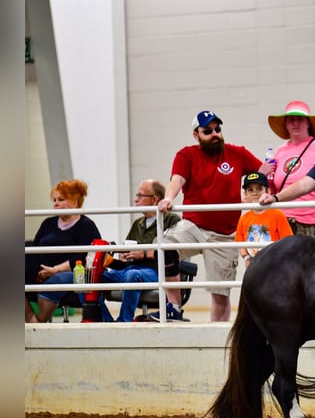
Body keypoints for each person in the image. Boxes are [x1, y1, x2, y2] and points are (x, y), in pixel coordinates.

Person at [156, 110, 272, 322]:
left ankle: (217, 338)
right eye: (207, 131)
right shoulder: (186, 155)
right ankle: (174, 306)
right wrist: (168, 199)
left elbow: (263, 175)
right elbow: (177, 180)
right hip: (193, 226)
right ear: (196, 135)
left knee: (221, 295)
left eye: (217, 129)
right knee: (164, 248)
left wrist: (269, 180)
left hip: (225, 235)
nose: (214, 134)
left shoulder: (237, 153)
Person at [98, 180, 182, 322]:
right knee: (89, 277)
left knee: (131, 275)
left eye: (140, 195)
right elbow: (127, 247)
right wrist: (123, 254)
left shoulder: (171, 219)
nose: (136, 199)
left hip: (156, 271)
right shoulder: (138, 223)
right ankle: (106, 321)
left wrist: (143, 254)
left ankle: (124, 322)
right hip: (130, 268)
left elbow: (173, 253)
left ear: (154, 199)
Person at [25, 179, 102, 323]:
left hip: (70, 273)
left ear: (74, 201)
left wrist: (55, 270)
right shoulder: (48, 223)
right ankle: (31, 320)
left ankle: (38, 324)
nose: (55, 203)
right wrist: (35, 271)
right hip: (41, 272)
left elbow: (87, 256)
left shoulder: (86, 225)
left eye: (61, 199)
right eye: (54, 200)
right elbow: (34, 249)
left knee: (55, 282)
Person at [266, 101, 315, 236]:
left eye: (300, 119)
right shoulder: (280, 151)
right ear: (286, 125)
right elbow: (275, 189)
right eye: (291, 120)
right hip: (283, 220)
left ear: (308, 123)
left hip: (311, 220)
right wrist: (264, 175)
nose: (295, 123)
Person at [235, 172, 293, 269]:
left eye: (259, 189)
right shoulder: (244, 218)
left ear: (268, 191)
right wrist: (246, 258)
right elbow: (240, 241)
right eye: (250, 190)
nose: (255, 193)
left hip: (275, 262)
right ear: (245, 194)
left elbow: (287, 241)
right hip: (253, 263)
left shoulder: (277, 215)